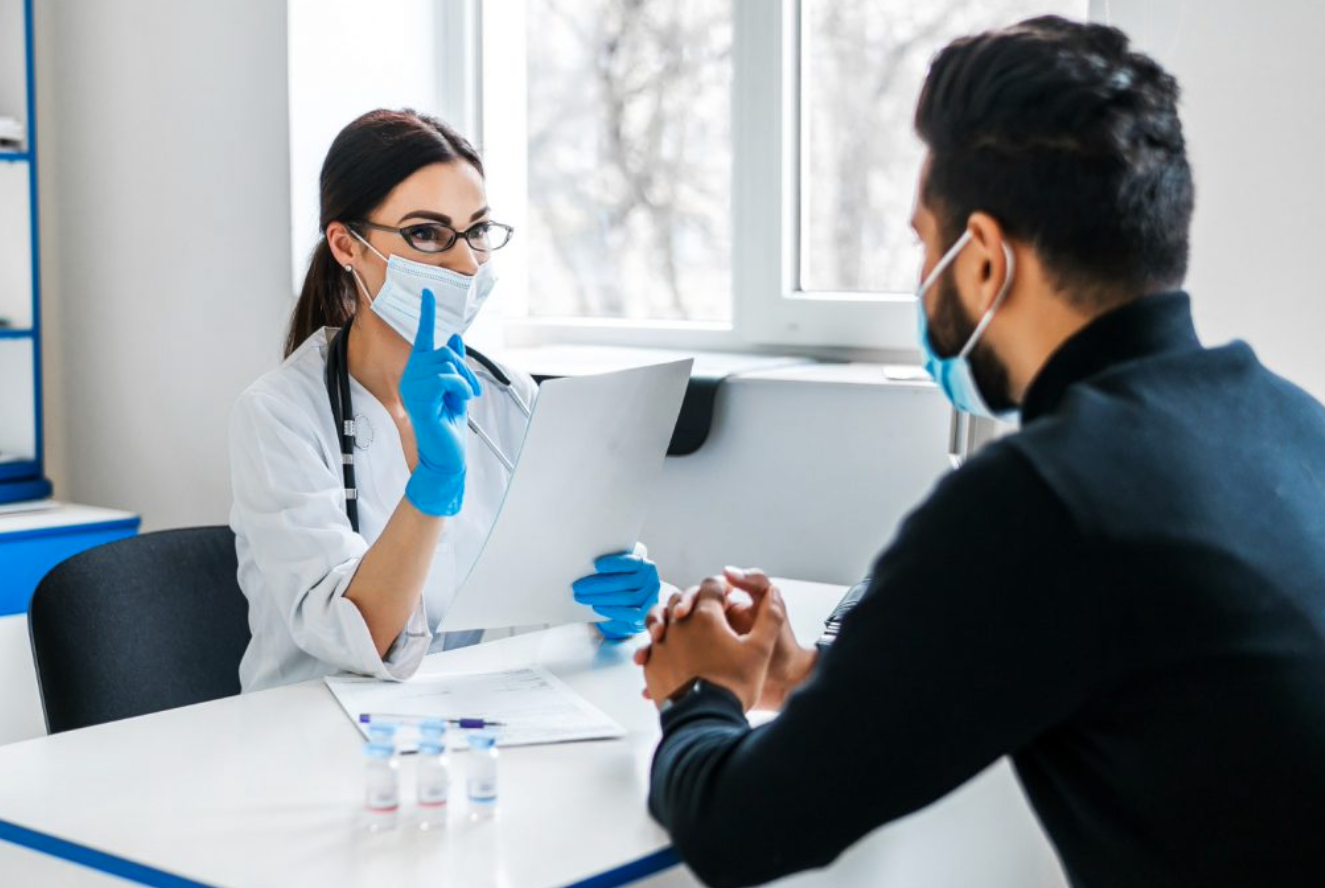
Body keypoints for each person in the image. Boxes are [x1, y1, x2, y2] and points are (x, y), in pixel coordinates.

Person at [638, 16, 1325, 888]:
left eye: (925, 244)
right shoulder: (1292, 423)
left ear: (986, 263)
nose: (922, 276)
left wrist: (697, 694)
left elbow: (738, 832)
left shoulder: (1047, 495)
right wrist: (808, 682)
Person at [229, 109, 661, 693]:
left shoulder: (510, 396)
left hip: (473, 713)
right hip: (309, 725)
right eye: (426, 234)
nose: (465, 262)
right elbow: (357, 635)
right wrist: (431, 485)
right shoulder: (280, 417)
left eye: (477, 230)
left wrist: (612, 594)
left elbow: (543, 585)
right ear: (346, 246)